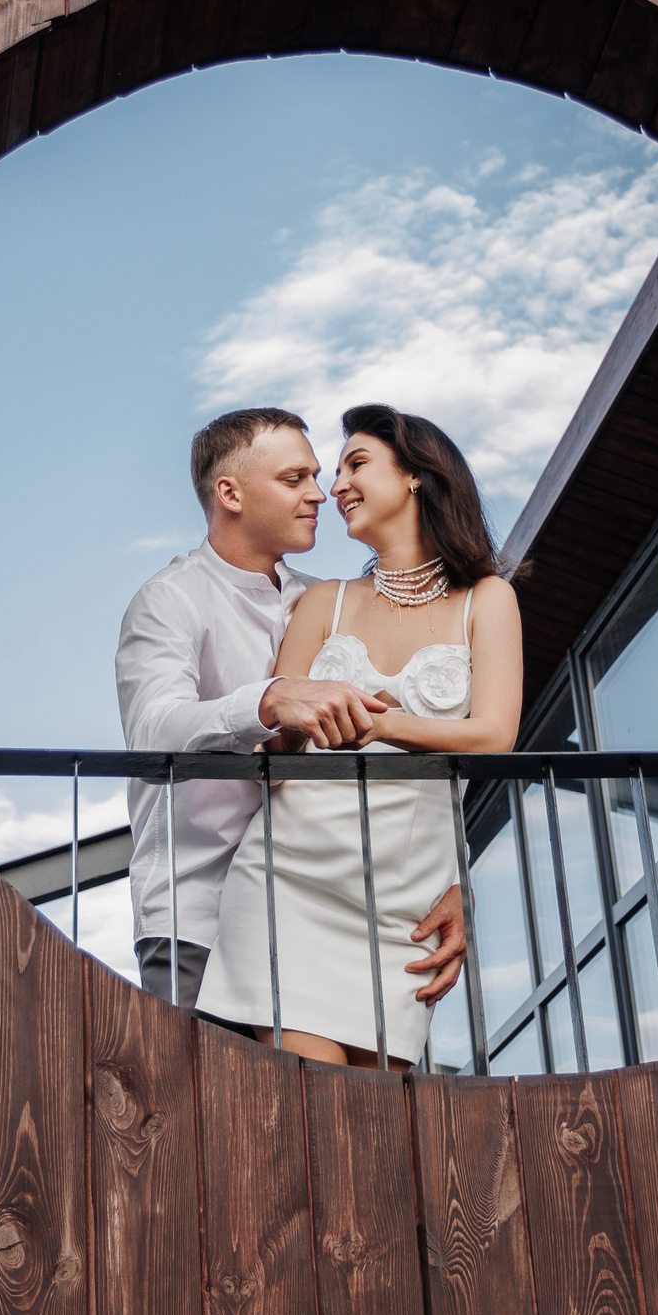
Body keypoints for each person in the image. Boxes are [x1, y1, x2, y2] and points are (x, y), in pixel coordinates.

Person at [198, 405, 520, 1067]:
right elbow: (279, 757)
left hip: (404, 904)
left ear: (417, 477)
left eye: (356, 464)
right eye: (333, 469)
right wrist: (288, 730)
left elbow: (493, 738)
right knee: (317, 1114)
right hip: (289, 884)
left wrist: (376, 721)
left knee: (371, 1138)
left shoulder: (488, 600)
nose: (335, 484)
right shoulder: (324, 604)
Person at [115, 407, 467, 1012]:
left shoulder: (327, 603)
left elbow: (411, 742)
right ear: (230, 493)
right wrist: (269, 699)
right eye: (294, 479)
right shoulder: (168, 601)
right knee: (216, 1105)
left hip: (328, 909)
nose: (319, 493)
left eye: (315, 475)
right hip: (201, 915)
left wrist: (451, 878)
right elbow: (153, 729)